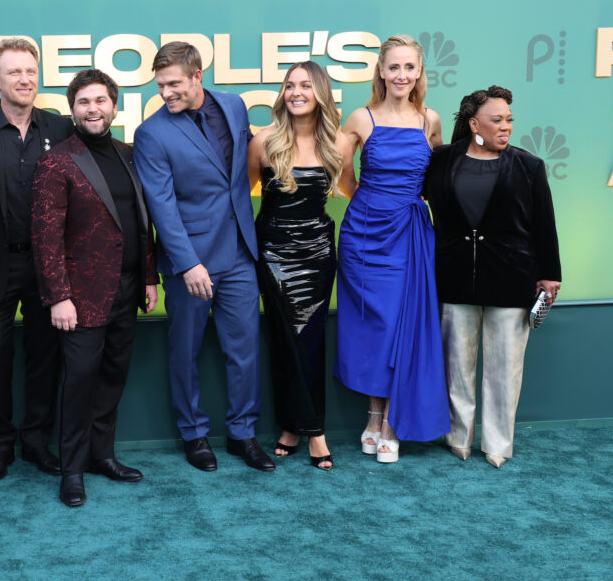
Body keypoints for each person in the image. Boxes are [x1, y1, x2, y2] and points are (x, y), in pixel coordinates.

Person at [135, 42, 274, 473]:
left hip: (239, 252)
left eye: (174, 83)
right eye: (160, 85)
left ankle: (242, 433)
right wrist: (188, 263)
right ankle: (193, 434)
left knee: (245, 348)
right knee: (184, 351)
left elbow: (241, 173)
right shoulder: (151, 133)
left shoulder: (233, 106)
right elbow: (162, 206)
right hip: (190, 259)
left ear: (197, 76)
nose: (166, 93)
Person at [31, 69, 159, 507]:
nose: (93, 109)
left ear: (114, 106)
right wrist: (58, 296)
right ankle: (72, 470)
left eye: (101, 101)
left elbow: (142, 224)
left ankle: (102, 456)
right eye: (84, 102)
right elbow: (45, 236)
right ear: (73, 109)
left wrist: (147, 277)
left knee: (112, 378)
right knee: (79, 381)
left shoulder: (129, 154)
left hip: (126, 289)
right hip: (80, 295)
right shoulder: (58, 160)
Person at [424, 86, 561, 469]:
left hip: (512, 277)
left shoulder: (528, 165)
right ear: (473, 123)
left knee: (505, 368)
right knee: (457, 365)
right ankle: (458, 436)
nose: (506, 127)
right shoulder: (441, 160)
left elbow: (543, 224)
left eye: (509, 120)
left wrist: (550, 274)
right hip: (453, 276)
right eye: (497, 120)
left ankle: (497, 443)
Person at [333, 34, 449, 463]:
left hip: (409, 236)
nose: (401, 74)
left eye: (409, 67)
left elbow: (437, 175)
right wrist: (371, 198)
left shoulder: (429, 120)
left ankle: (391, 425)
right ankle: (372, 417)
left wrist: (414, 201)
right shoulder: (360, 119)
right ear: (381, 71)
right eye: (393, 67)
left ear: (419, 73)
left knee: (404, 326)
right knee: (372, 326)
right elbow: (345, 175)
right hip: (365, 234)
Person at [0, 38, 74, 484]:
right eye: (13, 72)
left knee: (44, 355)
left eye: (30, 71)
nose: (24, 79)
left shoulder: (62, 128)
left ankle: (35, 441)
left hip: (48, 267)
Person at [247, 61, 345, 471]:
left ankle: (306, 429)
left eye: (305, 85)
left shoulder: (338, 144)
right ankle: (300, 428)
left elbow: (354, 190)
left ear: (320, 91)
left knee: (311, 341)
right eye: (290, 85)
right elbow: (241, 196)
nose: (296, 92)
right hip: (273, 253)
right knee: (284, 340)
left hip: (319, 254)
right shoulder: (263, 141)